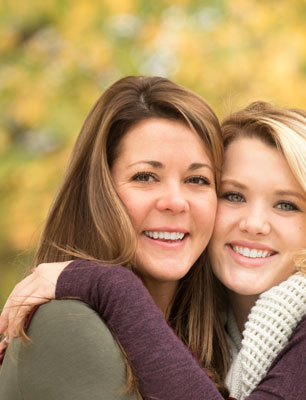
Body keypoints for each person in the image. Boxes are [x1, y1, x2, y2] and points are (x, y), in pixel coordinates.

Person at [2, 101, 306, 399]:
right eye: (233, 195)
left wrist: (107, 284)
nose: (254, 224)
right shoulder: (212, 337)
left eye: (286, 205)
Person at [0, 75, 230, 399]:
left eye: (198, 179)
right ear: (99, 191)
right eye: (146, 176)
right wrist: (113, 286)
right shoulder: (67, 323)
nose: (176, 202)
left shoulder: (210, 340)